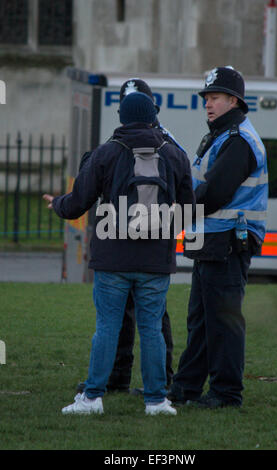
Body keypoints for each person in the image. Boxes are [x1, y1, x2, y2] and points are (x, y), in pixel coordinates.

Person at [44, 90, 195, 415]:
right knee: (152, 328)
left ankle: (93, 397)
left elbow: (77, 203)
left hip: (112, 259)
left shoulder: (107, 153)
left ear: (123, 118)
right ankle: (156, 400)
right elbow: (189, 211)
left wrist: (56, 203)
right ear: (153, 116)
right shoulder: (175, 155)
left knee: (108, 326)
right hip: (156, 260)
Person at [168, 66, 268, 409]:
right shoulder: (224, 135)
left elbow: (215, 193)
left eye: (215, 98)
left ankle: (226, 394)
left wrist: (177, 211)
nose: (208, 104)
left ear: (234, 100)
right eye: (206, 98)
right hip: (212, 240)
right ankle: (185, 389)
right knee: (201, 321)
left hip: (227, 241)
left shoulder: (238, 140)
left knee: (222, 322)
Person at [76, 78, 184, 395]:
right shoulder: (169, 145)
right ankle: (136, 382)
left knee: (131, 321)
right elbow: (187, 199)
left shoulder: (121, 143)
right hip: (153, 253)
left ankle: (134, 380)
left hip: (118, 248)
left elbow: (89, 188)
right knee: (146, 321)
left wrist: (61, 202)